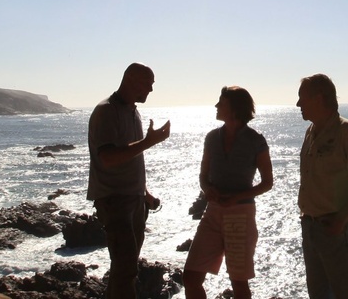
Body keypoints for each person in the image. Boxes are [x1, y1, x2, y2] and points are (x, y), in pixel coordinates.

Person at [87, 62, 171, 299]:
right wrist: (148, 142)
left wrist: (145, 193)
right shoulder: (106, 111)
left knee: (125, 268)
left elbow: (131, 158)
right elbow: (107, 158)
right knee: (126, 269)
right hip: (114, 201)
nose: (151, 89)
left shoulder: (134, 112)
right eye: (148, 83)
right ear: (130, 79)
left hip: (135, 201)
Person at [183, 86, 274, 299]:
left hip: (241, 215)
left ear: (235, 108)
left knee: (238, 283)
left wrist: (236, 197)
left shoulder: (255, 140)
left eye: (221, 103)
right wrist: (208, 190)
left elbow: (267, 183)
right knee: (190, 277)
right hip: (213, 213)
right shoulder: (211, 138)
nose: (216, 106)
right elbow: (203, 176)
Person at [296, 73, 348, 299]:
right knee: (318, 294)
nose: (298, 104)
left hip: (337, 228)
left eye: (302, 97)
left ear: (319, 98)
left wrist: (341, 220)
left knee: (347, 294)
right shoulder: (311, 132)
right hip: (311, 226)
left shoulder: (347, 132)